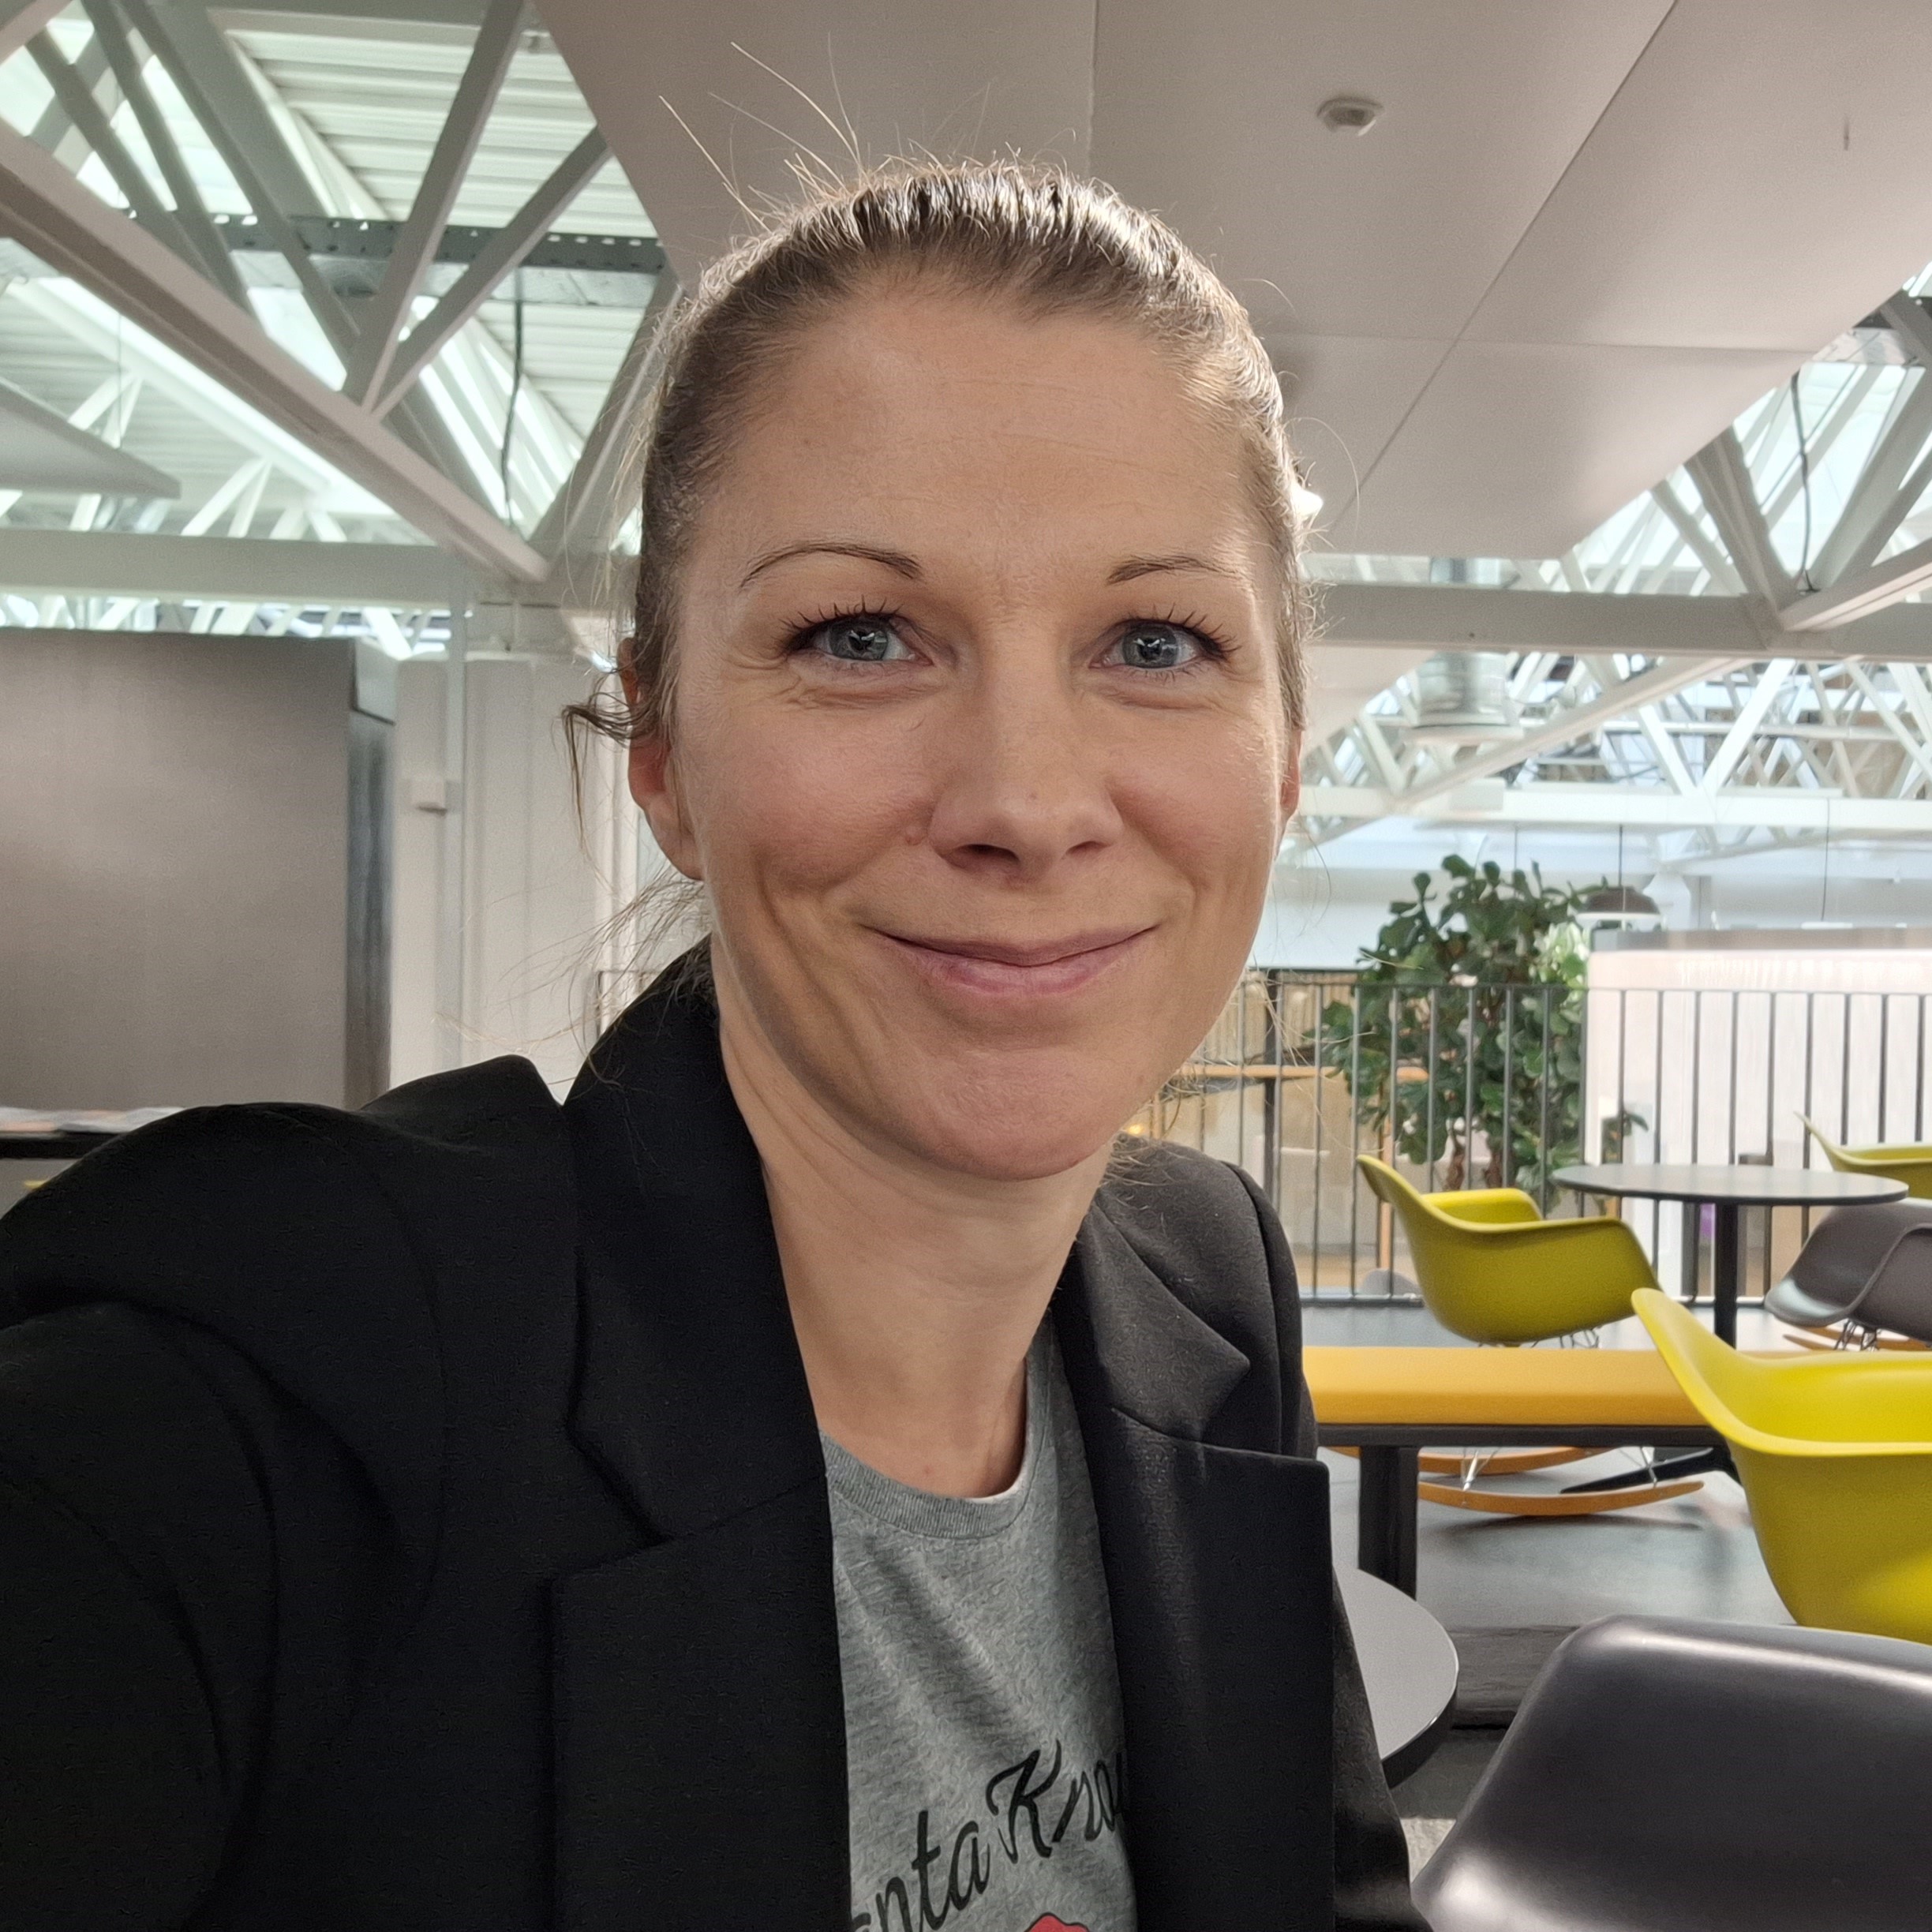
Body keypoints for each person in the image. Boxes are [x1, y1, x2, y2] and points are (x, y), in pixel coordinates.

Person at [0, 162, 1421, 1931]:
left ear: (1283, 758)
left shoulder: (1208, 1281)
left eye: (1156, 640)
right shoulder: (257, 1409)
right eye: (861, 638)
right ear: (661, 753)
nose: (1026, 800)